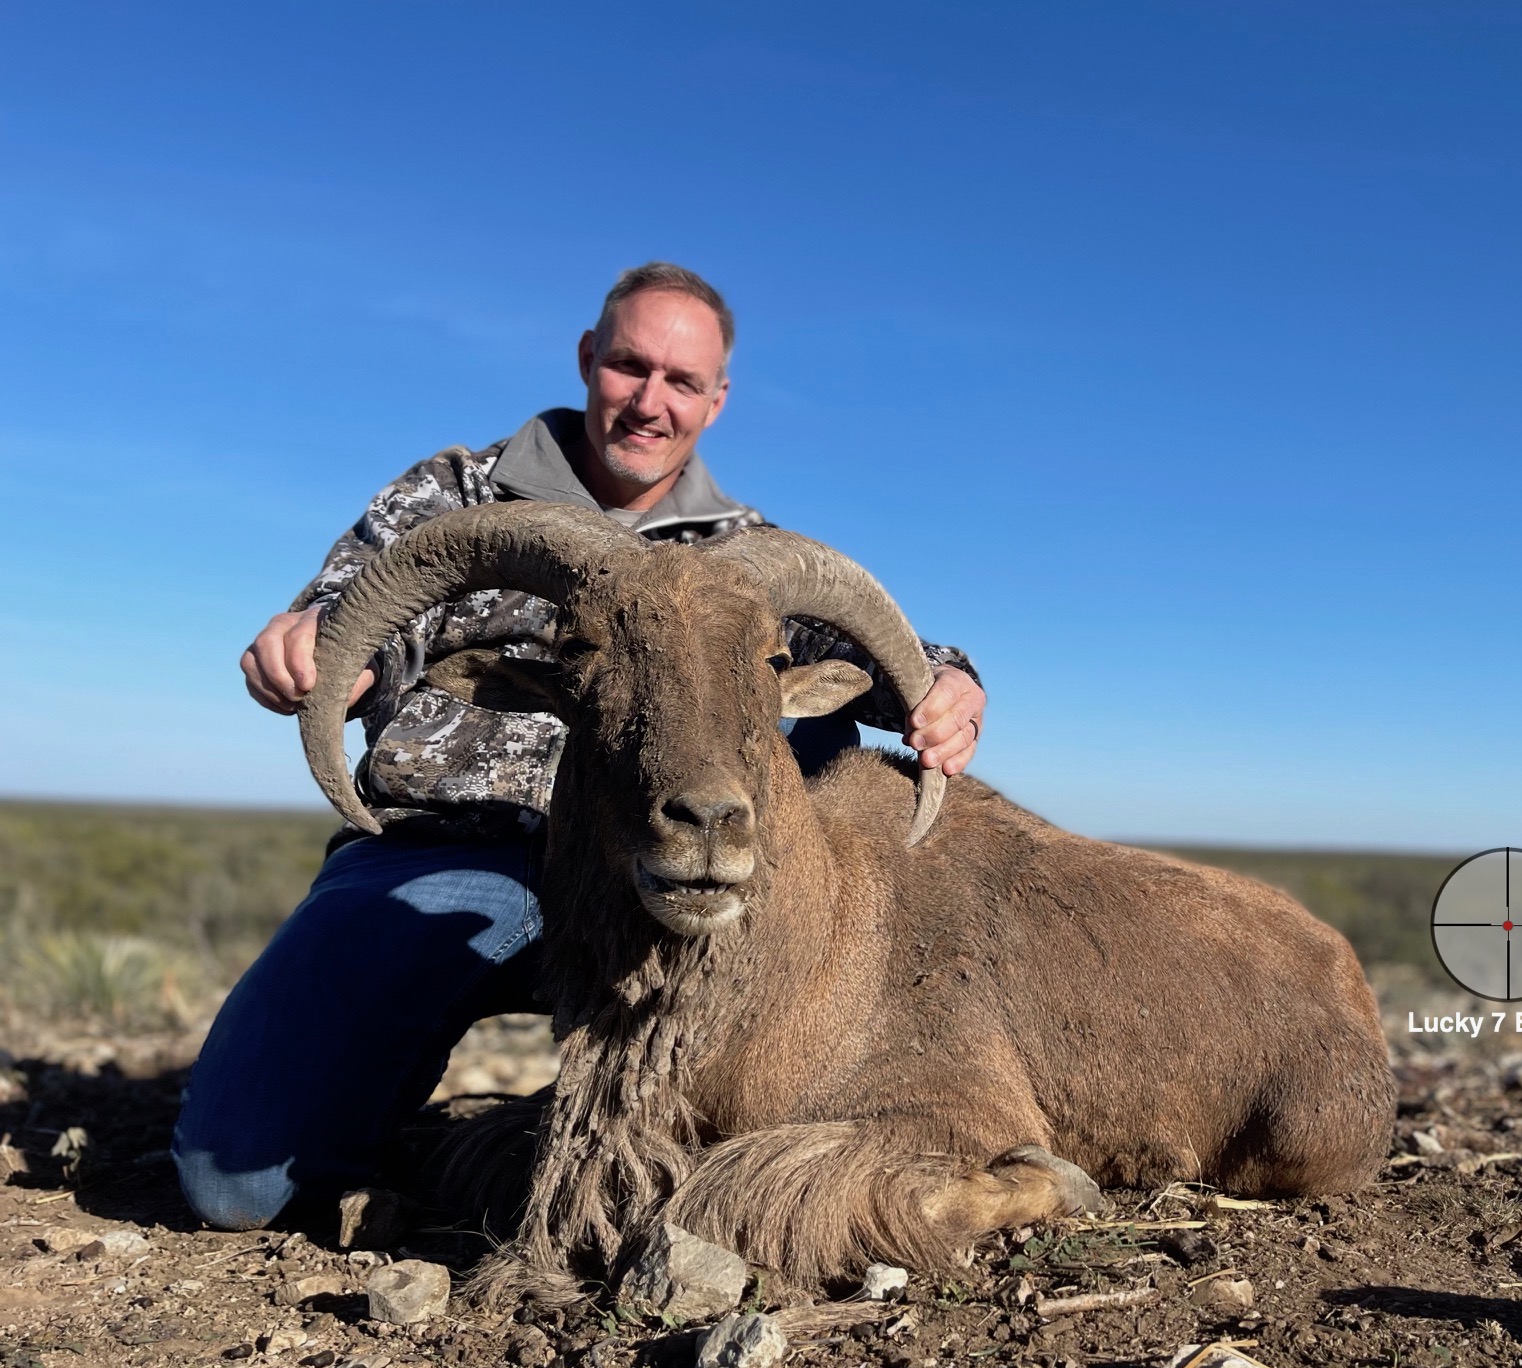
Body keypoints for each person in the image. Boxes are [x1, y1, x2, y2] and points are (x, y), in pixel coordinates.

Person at [172, 262, 987, 1230]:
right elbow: (362, 613)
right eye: (630, 367)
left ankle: (603, 1154)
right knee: (238, 1185)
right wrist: (324, 652)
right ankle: (505, 1146)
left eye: (682, 382)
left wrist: (946, 683)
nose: (650, 402)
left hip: (663, 867)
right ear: (587, 359)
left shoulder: (742, 548)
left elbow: (870, 650)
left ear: (717, 400)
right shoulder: (461, 493)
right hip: (454, 855)